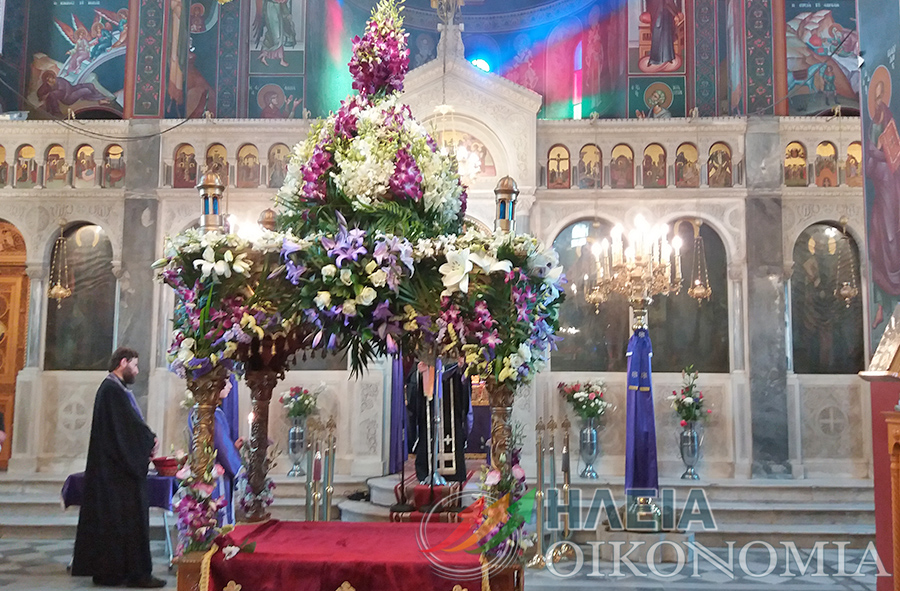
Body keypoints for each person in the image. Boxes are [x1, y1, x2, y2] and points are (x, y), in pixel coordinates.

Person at [71, 347, 165, 588]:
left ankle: (113, 572)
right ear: (123, 362)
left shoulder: (113, 389)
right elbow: (127, 429)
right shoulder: (112, 391)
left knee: (115, 523)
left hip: (114, 472)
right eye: (134, 365)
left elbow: (127, 427)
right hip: (119, 474)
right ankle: (135, 574)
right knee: (127, 522)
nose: (137, 371)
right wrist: (149, 440)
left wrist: (145, 438)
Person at [187, 375, 243, 525]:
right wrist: (240, 470)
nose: (230, 386)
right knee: (216, 519)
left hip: (202, 471)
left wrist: (234, 447)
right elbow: (223, 448)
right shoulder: (213, 414)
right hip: (215, 476)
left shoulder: (197, 410)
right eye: (227, 381)